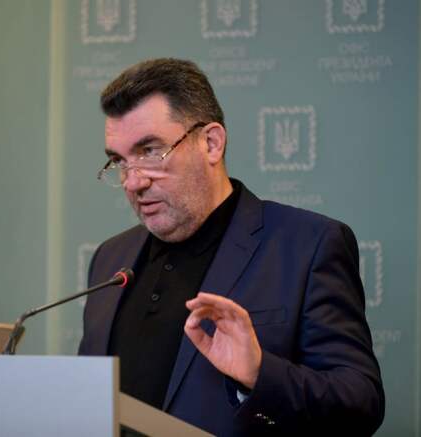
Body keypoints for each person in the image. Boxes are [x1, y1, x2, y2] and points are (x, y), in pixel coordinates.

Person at [78, 58, 384, 436]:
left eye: (150, 151)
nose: (133, 182)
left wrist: (260, 373)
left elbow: (360, 404)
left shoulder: (308, 246)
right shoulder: (110, 258)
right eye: (119, 161)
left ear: (211, 143)